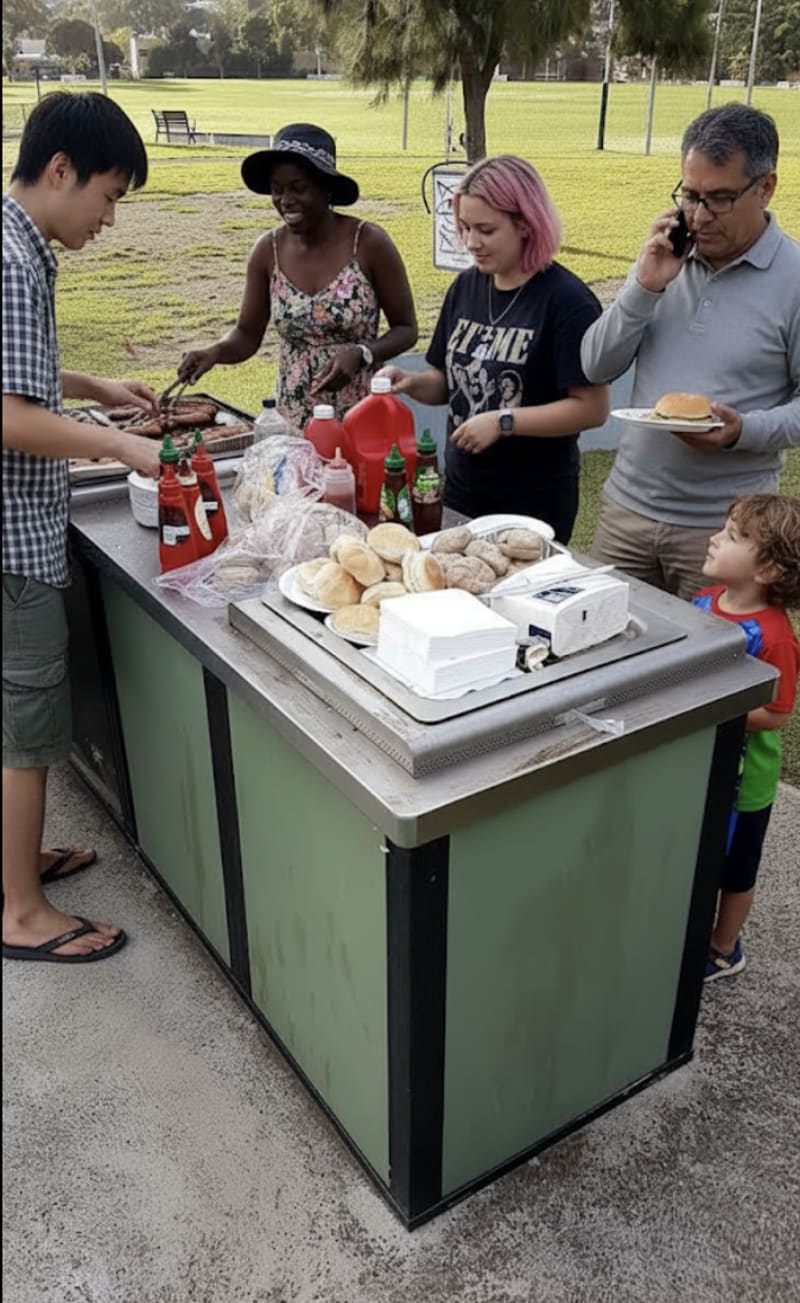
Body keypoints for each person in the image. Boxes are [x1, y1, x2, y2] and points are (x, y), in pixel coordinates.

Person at [3, 92, 162, 964]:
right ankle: (21, 912)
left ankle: (14, 863)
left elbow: (18, 370)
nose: (107, 218)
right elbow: (7, 415)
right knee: (24, 733)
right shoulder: (13, 260)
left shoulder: (12, 241)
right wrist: (120, 448)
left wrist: (94, 387)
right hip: (10, 535)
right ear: (60, 169)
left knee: (7, 721)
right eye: (108, 195)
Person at [581, 103, 800, 600]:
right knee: (602, 662)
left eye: (720, 199)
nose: (699, 216)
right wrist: (644, 285)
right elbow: (594, 364)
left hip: (725, 533)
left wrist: (743, 430)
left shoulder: (794, 278)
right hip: (626, 511)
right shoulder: (667, 258)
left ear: (765, 187)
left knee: (705, 673)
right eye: (691, 195)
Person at [379, 154, 609, 543]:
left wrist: (504, 422)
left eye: (485, 230)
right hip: (462, 487)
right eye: (465, 227)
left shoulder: (567, 301)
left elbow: (592, 408)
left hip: (533, 497)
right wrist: (412, 381)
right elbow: (446, 383)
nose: (471, 243)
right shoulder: (467, 287)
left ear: (525, 224)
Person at [178, 123, 418, 429]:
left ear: (326, 188)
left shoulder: (369, 243)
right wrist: (213, 352)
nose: (285, 199)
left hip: (361, 412)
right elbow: (247, 334)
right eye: (277, 190)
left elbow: (406, 328)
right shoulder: (268, 250)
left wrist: (363, 352)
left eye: (298, 187)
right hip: (294, 415)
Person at [691, 494, 800, 981]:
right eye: (723, 527)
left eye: (734, 536)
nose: (715, 537)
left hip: (745, 783)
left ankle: (724, 946)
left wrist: (712, 710)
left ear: (771, 570)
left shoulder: (774, 635)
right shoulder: (704, 601)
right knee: (700, 851)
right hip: (702, 764)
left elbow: (776, 714)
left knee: (736, 869)